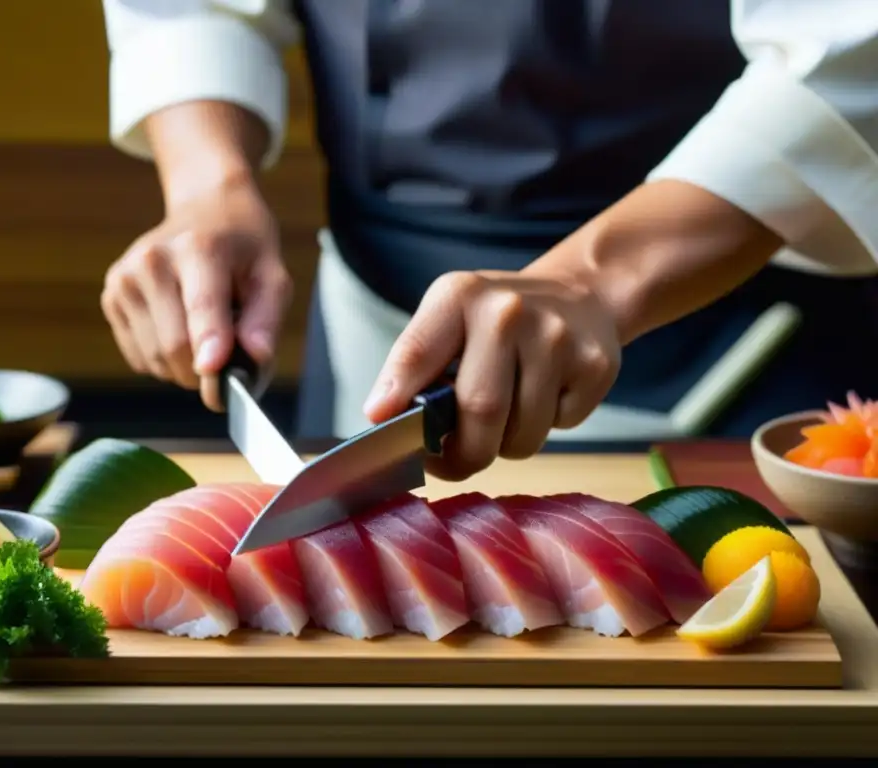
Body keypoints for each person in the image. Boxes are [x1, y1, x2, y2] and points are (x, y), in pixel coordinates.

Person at [98, 0, 878, 481]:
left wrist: (592, 284)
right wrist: (210, 189)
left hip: (756, 334)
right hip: (377, 320)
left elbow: (849, 50)